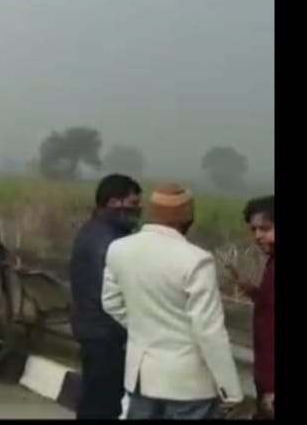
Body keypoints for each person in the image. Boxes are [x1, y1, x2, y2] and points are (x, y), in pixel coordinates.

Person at [102, 182, 243, 419]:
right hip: (188, 384)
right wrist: (231, 390)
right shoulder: (197, 260)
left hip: (140, 378)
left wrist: (144, 326)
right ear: (187, 218)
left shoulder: (119, 249)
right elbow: (208, 330)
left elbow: (111, 302)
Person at [69, 174, 141, 420]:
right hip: (107, 334)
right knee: (105, 404)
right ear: (114, 202)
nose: (137, 211)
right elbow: (112, 294)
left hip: (90, 328)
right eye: (132, 205)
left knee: (93, 398)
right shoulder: (111, 241)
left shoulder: (91, 230)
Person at [228, 195, 274, 419]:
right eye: (254, 230)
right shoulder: (272, 262)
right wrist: (256, 293)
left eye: (265, 228)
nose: (258, 236)